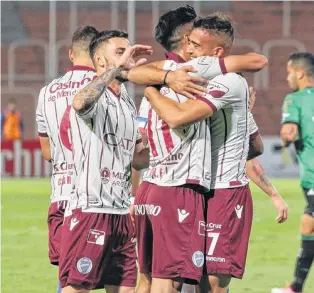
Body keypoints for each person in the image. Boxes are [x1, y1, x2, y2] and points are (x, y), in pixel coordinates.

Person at [136, 12, 287, 293]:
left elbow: (179, 118)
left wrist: (152, 91)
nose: (188, 49)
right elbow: (255, 146)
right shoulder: (185, 76)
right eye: (187, 42)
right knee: (182, 273)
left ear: (216, 53)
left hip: (224, 192)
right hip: (196, 190)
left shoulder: (228, 82)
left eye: (194, 44)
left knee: (213, 283)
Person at [58, 29, 152, 293]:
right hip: (91, 209)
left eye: (129, 52)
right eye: (120, 53)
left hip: (121, 213)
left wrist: (161, 143)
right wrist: (114, 71)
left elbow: (137, 161)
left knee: (124, 288)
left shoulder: (127, 105)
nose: (128, 59)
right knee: (78, 287)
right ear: (100, 60)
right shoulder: (91, 95)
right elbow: (79, 104)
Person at [35, 25, 99, 293]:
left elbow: (47, 152)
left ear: (71, 54)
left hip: (61, 194)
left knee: (69, 275)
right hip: (97, 194)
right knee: (116, 276)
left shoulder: (46, 92)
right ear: (99, 56)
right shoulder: (102, 90)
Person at [271, 52, 314, 293]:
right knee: (309, 224)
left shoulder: (295, 99)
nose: (288, 78)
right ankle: (296, 287)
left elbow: (289, 132)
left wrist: (286, 139)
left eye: (289, 72)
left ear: (300, 73)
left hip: (313, 176)